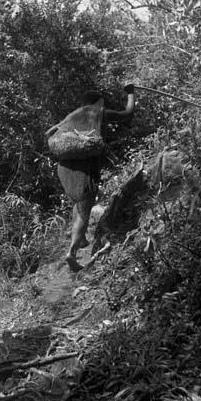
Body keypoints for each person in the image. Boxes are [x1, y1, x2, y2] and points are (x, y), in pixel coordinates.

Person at [47, 85, 135, 272]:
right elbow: (127, 113)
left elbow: (49, 133)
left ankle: (82, 238)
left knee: (77, 203)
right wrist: (130, 93)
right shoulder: (98, 112)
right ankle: (71, 252)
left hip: (64, 168)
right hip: (84, 170)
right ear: (98, 102)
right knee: (84, 210)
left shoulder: (72, 116)